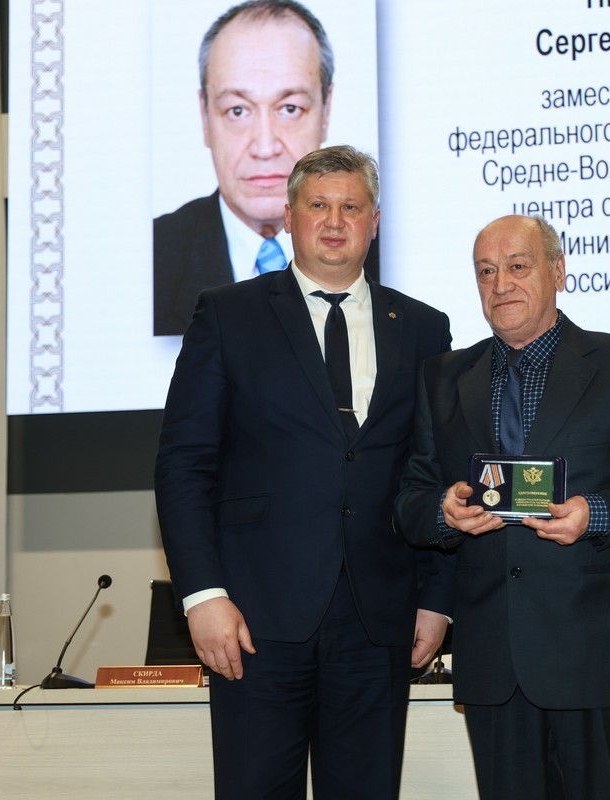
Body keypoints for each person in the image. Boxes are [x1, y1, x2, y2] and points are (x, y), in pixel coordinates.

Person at [154, 145, 452, 798]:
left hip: (379, 621)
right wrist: (202, 596)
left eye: (352, 207)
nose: (335, 221)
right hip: (254, 620)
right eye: (318, 205)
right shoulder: (227, 315)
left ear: (375, 221)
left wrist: (436, 598)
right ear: (289, 217)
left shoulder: (424, 329)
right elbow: (184, 464)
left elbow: (433, 475)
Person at [394, 215, 610, 799]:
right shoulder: (442, 378)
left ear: (558, 271)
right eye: (486, 271)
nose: (501, 284)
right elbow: (410, 498)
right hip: (495, 666)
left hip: (602, 660)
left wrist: (598, 513)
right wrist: (443, 511)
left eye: (518, 266)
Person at [152, 0, 379, 336]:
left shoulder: (384, 249)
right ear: (204, 116)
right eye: (238, 111)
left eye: (290, 108)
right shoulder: (154, 255)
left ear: (326, 109)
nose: (264, 147)